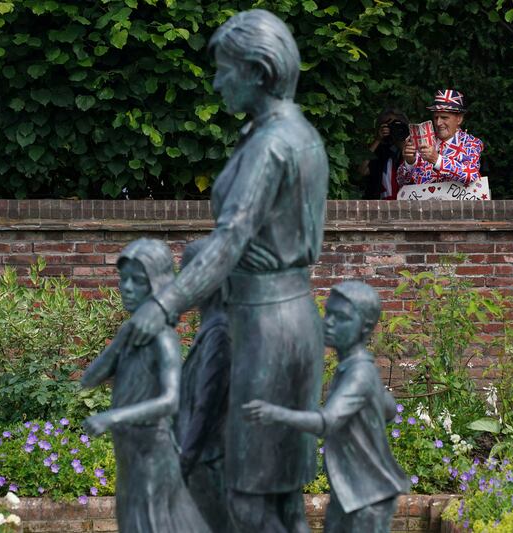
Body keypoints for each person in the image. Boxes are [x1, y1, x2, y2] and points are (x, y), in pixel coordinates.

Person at [123, 9, 329, 533]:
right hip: (292, 319)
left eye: (223, 70)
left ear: (258, 71)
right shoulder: (299, 134)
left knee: (247, 499)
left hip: (263, 328)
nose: (216, 82)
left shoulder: (270, 145)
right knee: (281, 500)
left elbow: (231, 241)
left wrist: (164, 303)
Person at [243, 281, 409, 533]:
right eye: (328, 313)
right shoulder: (357, 369)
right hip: (353, 492)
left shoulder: (359, 373)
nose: (329, 321)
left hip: (367, 497)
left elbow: (326, 422)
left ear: (364, 328)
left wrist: (273, 413)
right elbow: (390, 409)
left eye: (340, 317)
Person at [81, 239, 209, 533]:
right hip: (130, 451)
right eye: (123, 279)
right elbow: (89, 379)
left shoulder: (163, 339)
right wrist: (122, 338)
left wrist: (111, 417)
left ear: (156, 284)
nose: (126, 287)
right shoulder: (132, 336)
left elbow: (170, 401)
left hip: (153, 453)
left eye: (137, 281)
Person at [174, 238, 231, 533]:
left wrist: (184, 460)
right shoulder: (210, 330)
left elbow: (206, 407)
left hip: (208, 464)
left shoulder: (219, 334)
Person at [397, 89, 484, 186]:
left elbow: (471, 175)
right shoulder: (423, 140)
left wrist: (437, 160)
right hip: (423, 201)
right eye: (435, 117)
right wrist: (410, 162)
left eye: (444, 117)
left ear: (459, 119)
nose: (438, 123)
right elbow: (401, 181)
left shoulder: (471, 143)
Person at [359, 108, 410, 200]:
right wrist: (378, 140)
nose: (395, 128)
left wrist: (403, 140)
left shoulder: (415, 149)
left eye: (398, 124)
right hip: (382, 207)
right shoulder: (380, 151)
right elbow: (362, 171)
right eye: (391, 126)